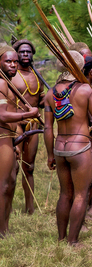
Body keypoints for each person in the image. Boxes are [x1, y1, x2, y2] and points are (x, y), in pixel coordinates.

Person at [44, 50, 92, 245]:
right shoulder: (85, 90)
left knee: (65, 194)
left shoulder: (50, 93)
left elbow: (48, 128)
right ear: (80, 67)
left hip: (60, 148)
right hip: (80, 147)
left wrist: (50, 155)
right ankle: (72, 241)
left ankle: (61, 238)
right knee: (81, 194)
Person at [0, 46, 39, 237]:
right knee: (4, 185)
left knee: (11, 182)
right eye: (8, 61)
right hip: (2, 138)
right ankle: (1, 230)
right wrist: (27, 114)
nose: (13, 64)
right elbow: (2, 115)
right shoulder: (1, 83)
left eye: (15, 61)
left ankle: (5, 227)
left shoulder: (8, 84)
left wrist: (15, 139)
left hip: (9, 138)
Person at [12, 39, 46, 215]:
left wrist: (52, 97)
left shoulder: (37, 75)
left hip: (33, 125)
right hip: (15, 124)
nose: (25, 54)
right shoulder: (11, 75)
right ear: (16, 54)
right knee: (13, 166)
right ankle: (7, 205)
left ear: (32, 54)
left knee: (29, 167)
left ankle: (30, 208)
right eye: (22, 51)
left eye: (28, 52)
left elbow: (41, 101)